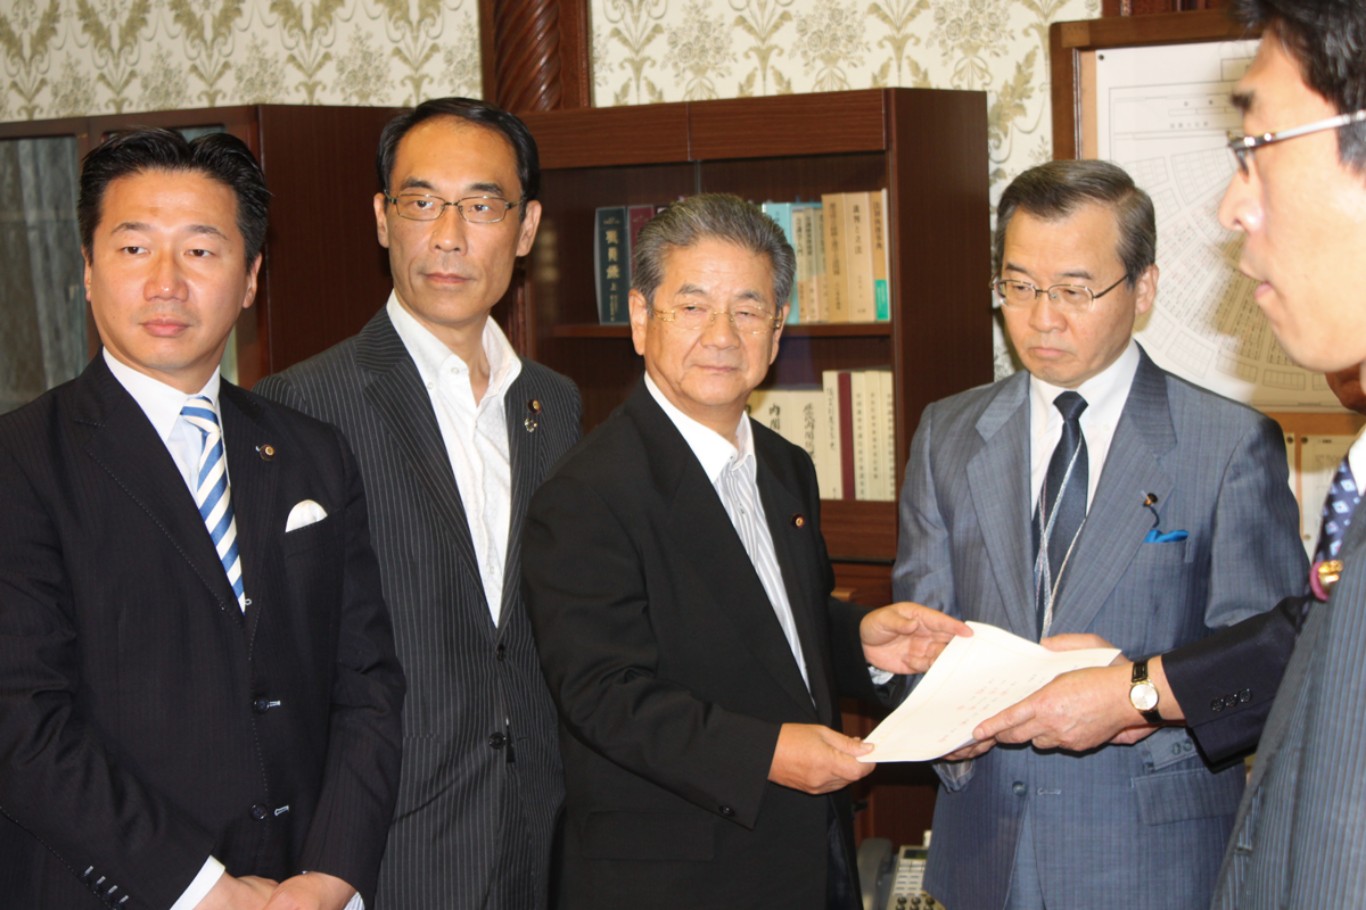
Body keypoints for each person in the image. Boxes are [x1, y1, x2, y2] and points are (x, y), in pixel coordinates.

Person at [520, 192, 971, 910]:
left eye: (748, 310)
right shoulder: (588, 491)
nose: (722, 336)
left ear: (778, 328)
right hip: (674, 879)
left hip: (807, 859)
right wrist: (767, 753)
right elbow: (603, 694)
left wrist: (859, 639)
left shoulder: (787, 467)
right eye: (692, 306)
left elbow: (766, 628)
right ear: (640, 317)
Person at [0, 128, 404, 910]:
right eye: (133, 248)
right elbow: (21, 725)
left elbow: (367, 683)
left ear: (250, 278)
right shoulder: (21, 462)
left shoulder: (312, 452)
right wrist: (203, 890)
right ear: (86, 270)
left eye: (200, 251)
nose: (166, 283)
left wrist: (332, 873)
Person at [890, 158, 1306, 910]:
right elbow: (924, 633)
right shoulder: (947, 432)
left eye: (1075, 290)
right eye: (1019, 286)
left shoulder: (1227, 444)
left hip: (1149, 860)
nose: (1042, 318)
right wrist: (941, 725)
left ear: (1143, 289)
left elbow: (1270, 668)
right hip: (984, 848)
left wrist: (1135, 689)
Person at [255, 98, 580, 909]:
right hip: (385, 849)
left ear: (527, 227)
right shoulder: (299, 408)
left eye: (481, 206)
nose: (449, 236)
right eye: (421, 202)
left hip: (547, 837)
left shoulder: (556, 405)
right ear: (381, 218)